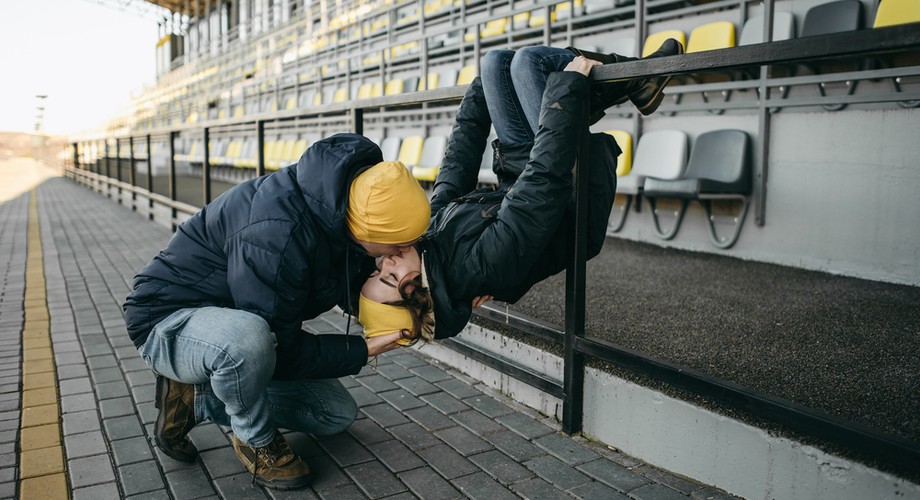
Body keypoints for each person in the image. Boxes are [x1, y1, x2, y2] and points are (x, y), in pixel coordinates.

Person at [123, 137, 430, 490]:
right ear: (369, 232)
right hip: (167, 321)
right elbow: (277, 348)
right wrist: (362, 350)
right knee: (248, 340)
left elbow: (357, 286)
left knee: (333, 413)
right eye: (396, 247)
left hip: (233, 323)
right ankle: (256, 442)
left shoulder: (345, 207)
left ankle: (196, 397)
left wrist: (435, 304)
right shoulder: (277, 235)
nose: (397, 254)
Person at [358, 40, 683, 345]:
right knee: (531, 65)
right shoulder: (478, 270)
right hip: (568, 195)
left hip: (532, 172)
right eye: (390, 278)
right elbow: (541, 190)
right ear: (419, 295)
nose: (386, 263)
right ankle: (640, 76)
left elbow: (457, 165)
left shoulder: (429, 244)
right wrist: (568, 92)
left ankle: (640, 82)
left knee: (495, 64)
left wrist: (481, 92)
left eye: (378, 270)